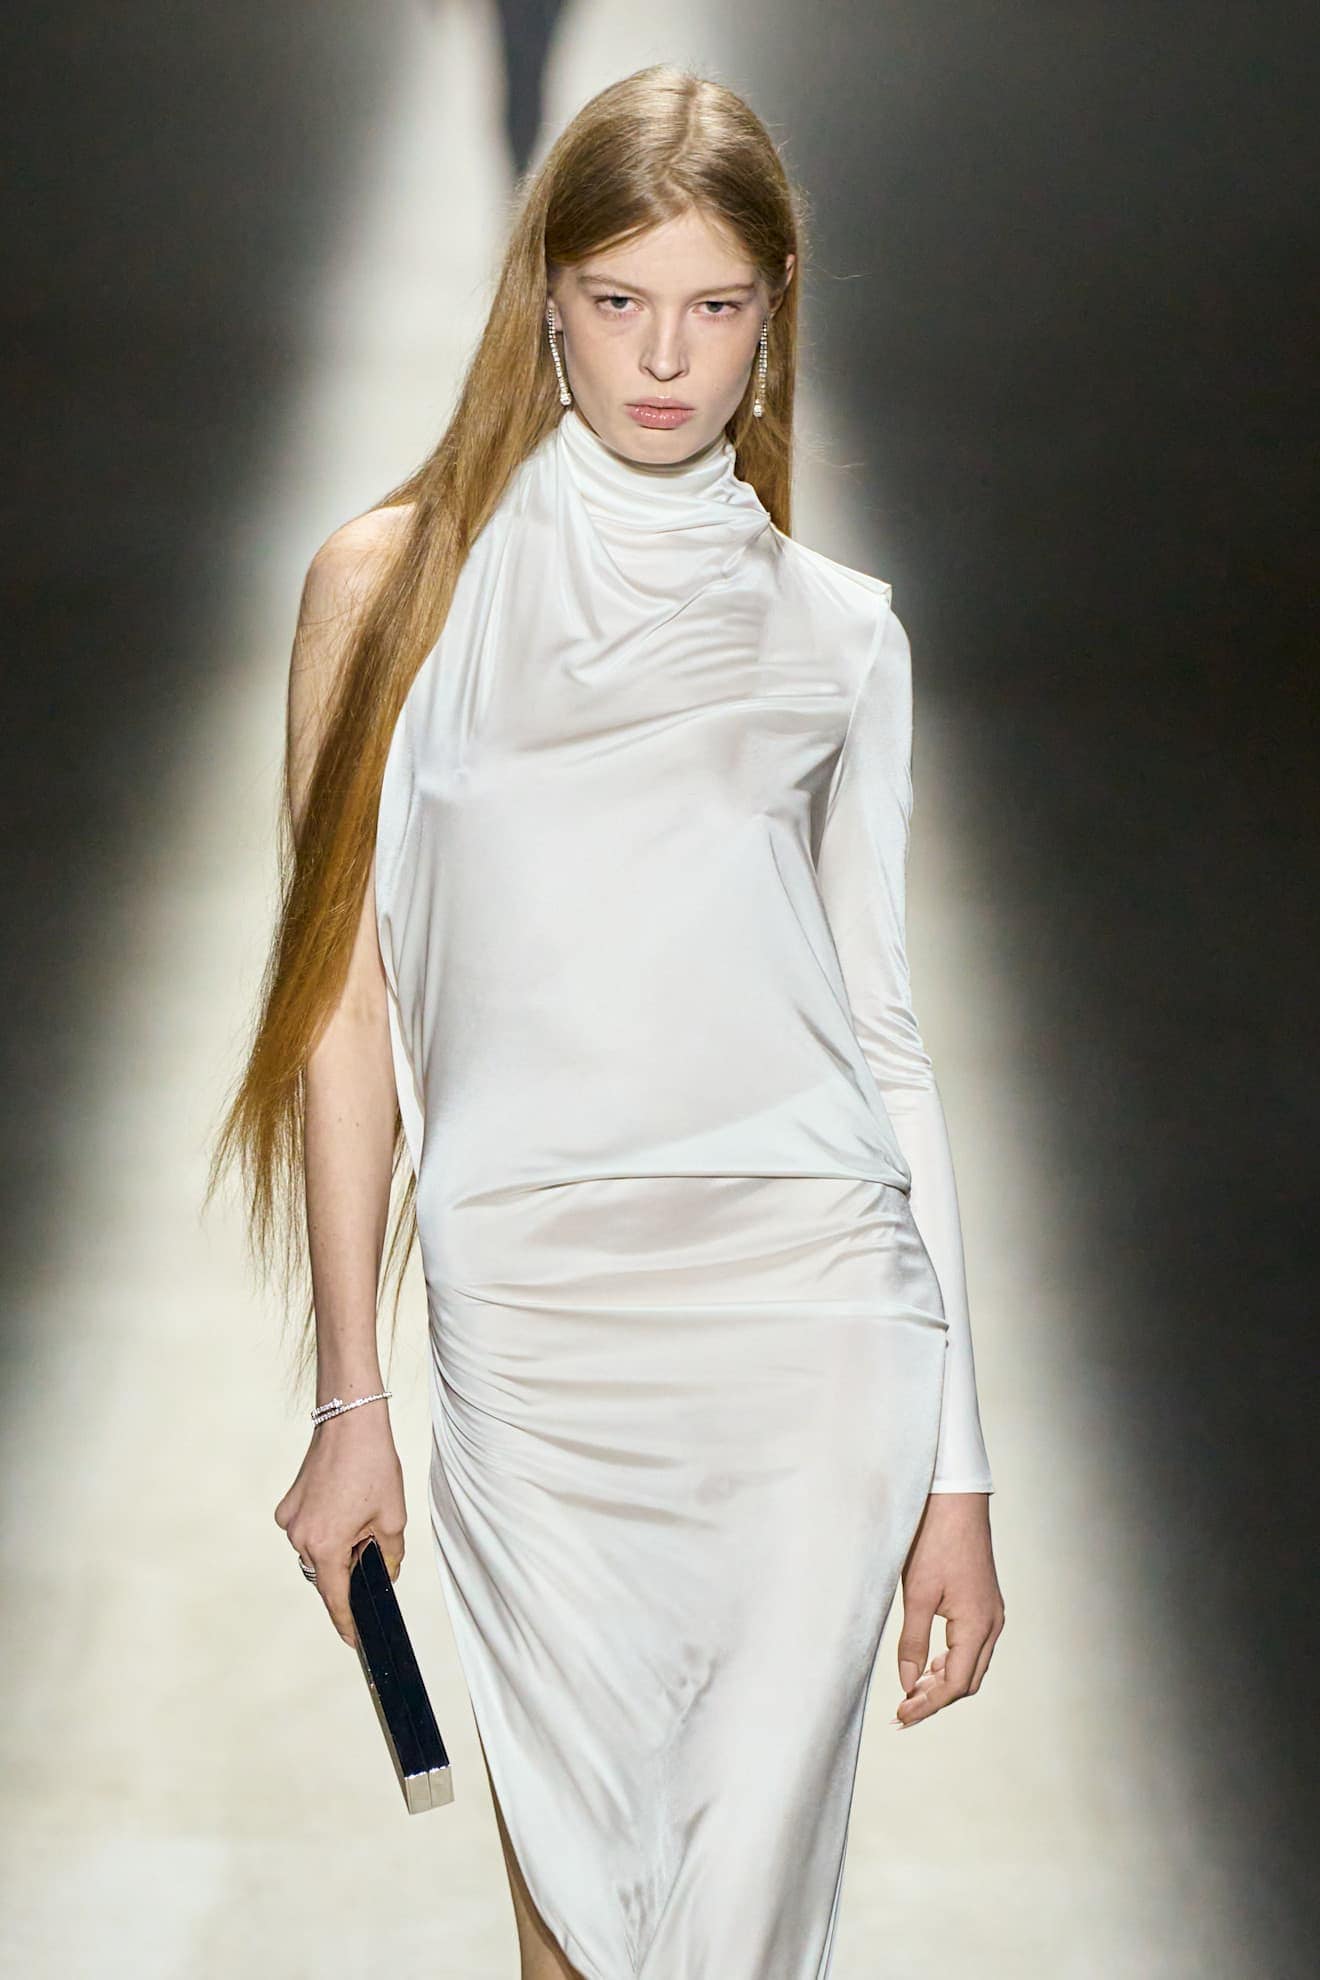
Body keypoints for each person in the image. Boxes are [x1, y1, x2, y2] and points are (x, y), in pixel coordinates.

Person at [210, 62, 1006, 1980]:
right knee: (571, 1922)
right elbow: (339, 1012)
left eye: (714, 304)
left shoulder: (840, 635)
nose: (665, 356)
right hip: (537, 1345)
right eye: (620, 298)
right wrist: (349, 1397)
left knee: (731, 1935)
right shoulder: (391, 592)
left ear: (776, 308)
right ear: (545, 297)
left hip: (811, 1333)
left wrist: (959, 1475)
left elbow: (884, 1041)